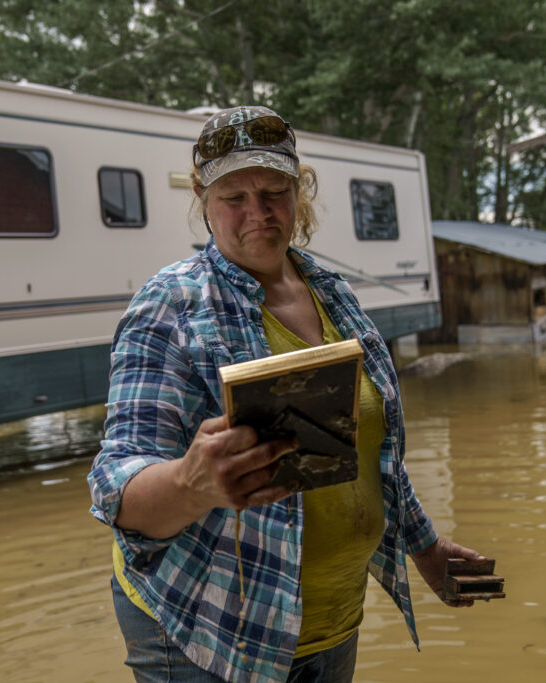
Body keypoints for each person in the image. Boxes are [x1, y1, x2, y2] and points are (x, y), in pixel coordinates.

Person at [88, 105, 483, 683]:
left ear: (301, 190)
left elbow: (371, 454)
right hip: (210, 631)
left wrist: (423, 547)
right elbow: (114, 484)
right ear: (202, 197)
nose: (259, 212)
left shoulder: (331, 292)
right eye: (234, 196)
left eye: (275, 190)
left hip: (331, 622)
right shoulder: (169, 305)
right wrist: (190, 483)